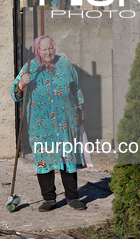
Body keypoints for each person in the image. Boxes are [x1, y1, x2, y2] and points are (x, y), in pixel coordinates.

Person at [10, 35, 88, 212]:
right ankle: (49, 199)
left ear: (55, 48)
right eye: (44, 49)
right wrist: (22, 83)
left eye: (50, 48)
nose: (48, 52)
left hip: (66, 123)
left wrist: (81, 110)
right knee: (44, 160)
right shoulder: (30, 68)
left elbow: (76, 88)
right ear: (38, 51)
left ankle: (73, 197)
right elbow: (14, 95)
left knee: (68, 160)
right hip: (41, 126)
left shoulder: (65, 64)